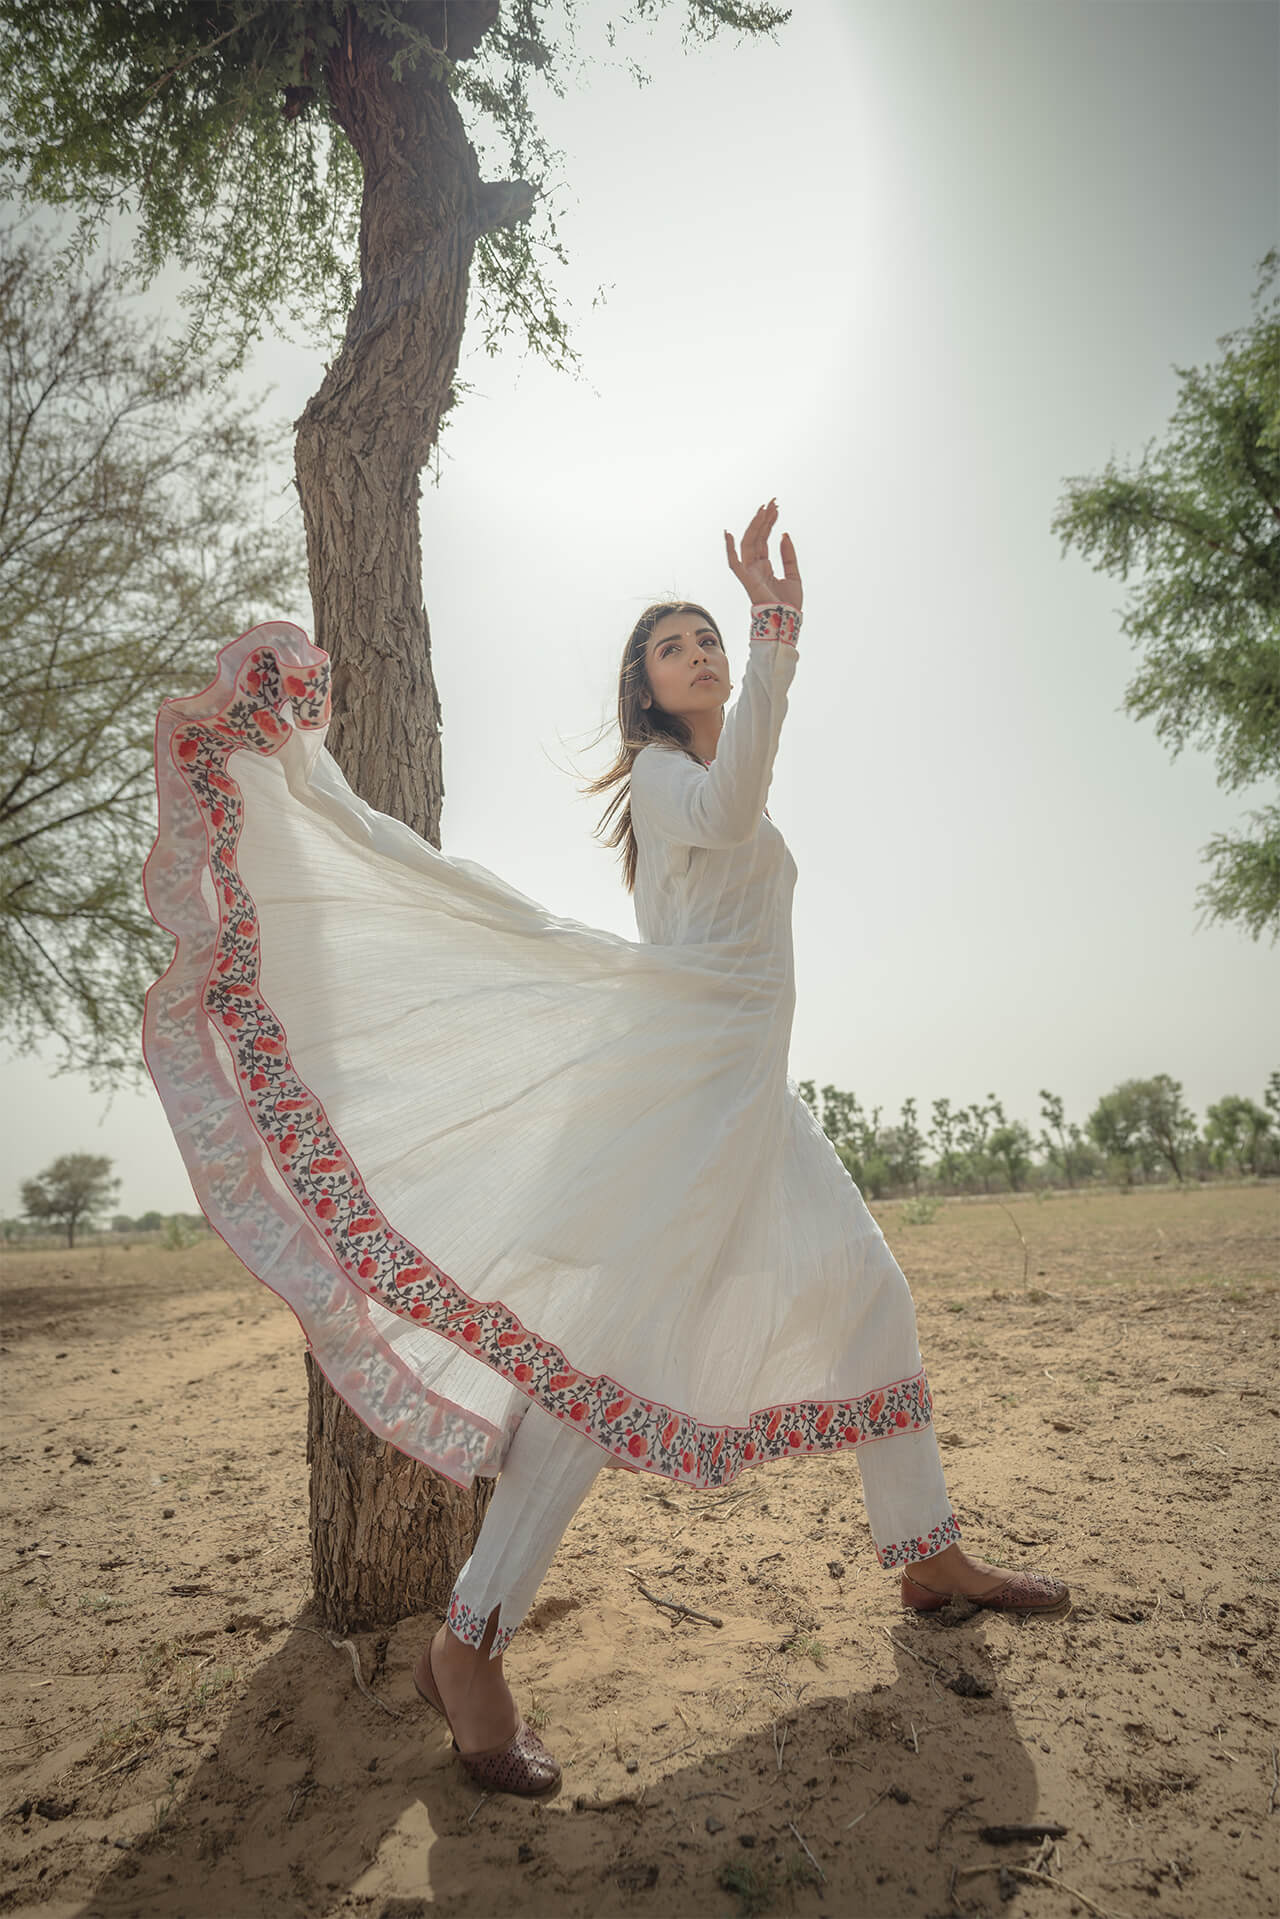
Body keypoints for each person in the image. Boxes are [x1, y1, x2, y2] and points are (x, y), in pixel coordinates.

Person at [142, 499, 1069, 1803]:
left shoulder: (701, 783)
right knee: (597, 1377)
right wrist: (778, 627)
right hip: (688, 1111)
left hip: (753, 1102)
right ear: (644, 688)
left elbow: (747, 807)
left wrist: (765, 645)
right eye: (674, 642)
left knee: (868, 1286)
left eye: (710, 639)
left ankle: (926, 1553)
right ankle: (467, 1649)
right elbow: (741, 790)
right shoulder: (672, 782)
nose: (698, 649)